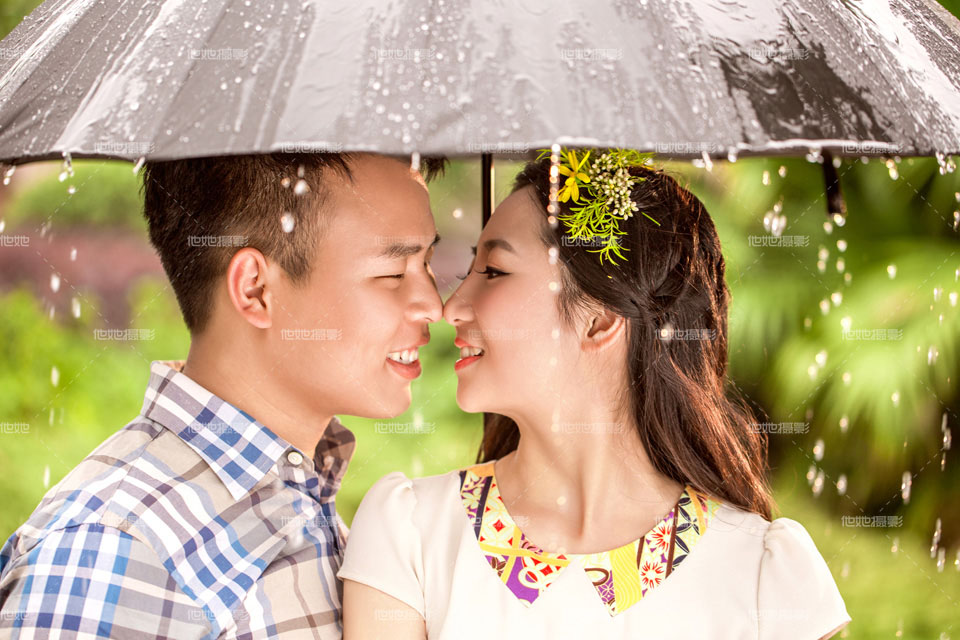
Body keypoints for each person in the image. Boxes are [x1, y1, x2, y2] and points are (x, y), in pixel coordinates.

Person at [337, 149, 852, 639]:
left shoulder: (765, 577)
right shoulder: (410, 536)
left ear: (600, 319)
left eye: (493, 272)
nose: (451, 307)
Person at [0, 152, 446, 638]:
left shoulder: (308, 502)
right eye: (393, 273)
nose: (433, 306)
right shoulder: (111, 557)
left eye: (427, 263)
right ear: (255, 290)